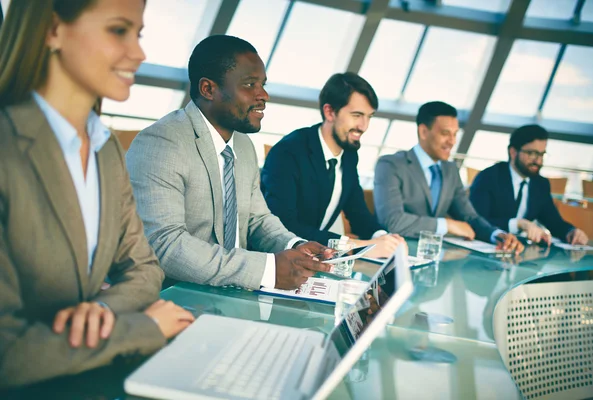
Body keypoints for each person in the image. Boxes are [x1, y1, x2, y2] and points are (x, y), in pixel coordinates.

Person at [0, 0, 194, 388]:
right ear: (53, 30)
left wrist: (101, 309)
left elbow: (145, 268)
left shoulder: (105, 150)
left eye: (137, 34)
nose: (138, 53)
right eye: (118, 30)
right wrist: (141, 328)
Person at [126, 35, 332, 291]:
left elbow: (256, 219)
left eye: (263, 84)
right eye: (249, 85)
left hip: (231, 294)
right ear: (208, 89)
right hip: (176, 298)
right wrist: (267, 270)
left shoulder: (243, 146)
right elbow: (165, 244)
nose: (264, 95)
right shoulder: (162, 142)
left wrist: (294, 247)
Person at [261, 72, 404, 258]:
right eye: (357, 115)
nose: (364, 126)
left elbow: (358, 213)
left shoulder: (349, 155)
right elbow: (283, 225)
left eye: (369, 116)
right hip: (280, 259)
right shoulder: (288, 152)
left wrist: (386, 239)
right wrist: (358, 246)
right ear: (329, 112)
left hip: (317, 260)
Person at [373, 101, 523, 253]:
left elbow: (469, 217)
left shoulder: (450, 170)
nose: (452, 141)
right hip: (396, 254)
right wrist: (448, 225)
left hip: (433, 255)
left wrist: (496, 235)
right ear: (424, 131)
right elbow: (393, 222)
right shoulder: (391, 165)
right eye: (445, 133)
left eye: (455, 134)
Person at [469, 124, 588, 245]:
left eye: (541, 154)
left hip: (519, 250)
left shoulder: (540, 184)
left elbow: (553, 221)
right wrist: (518, 224)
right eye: (532, 153)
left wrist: (570, 231)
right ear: (513, 152)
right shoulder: (489, 177)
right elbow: (477, 220)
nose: (538, 161)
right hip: (489, 246)